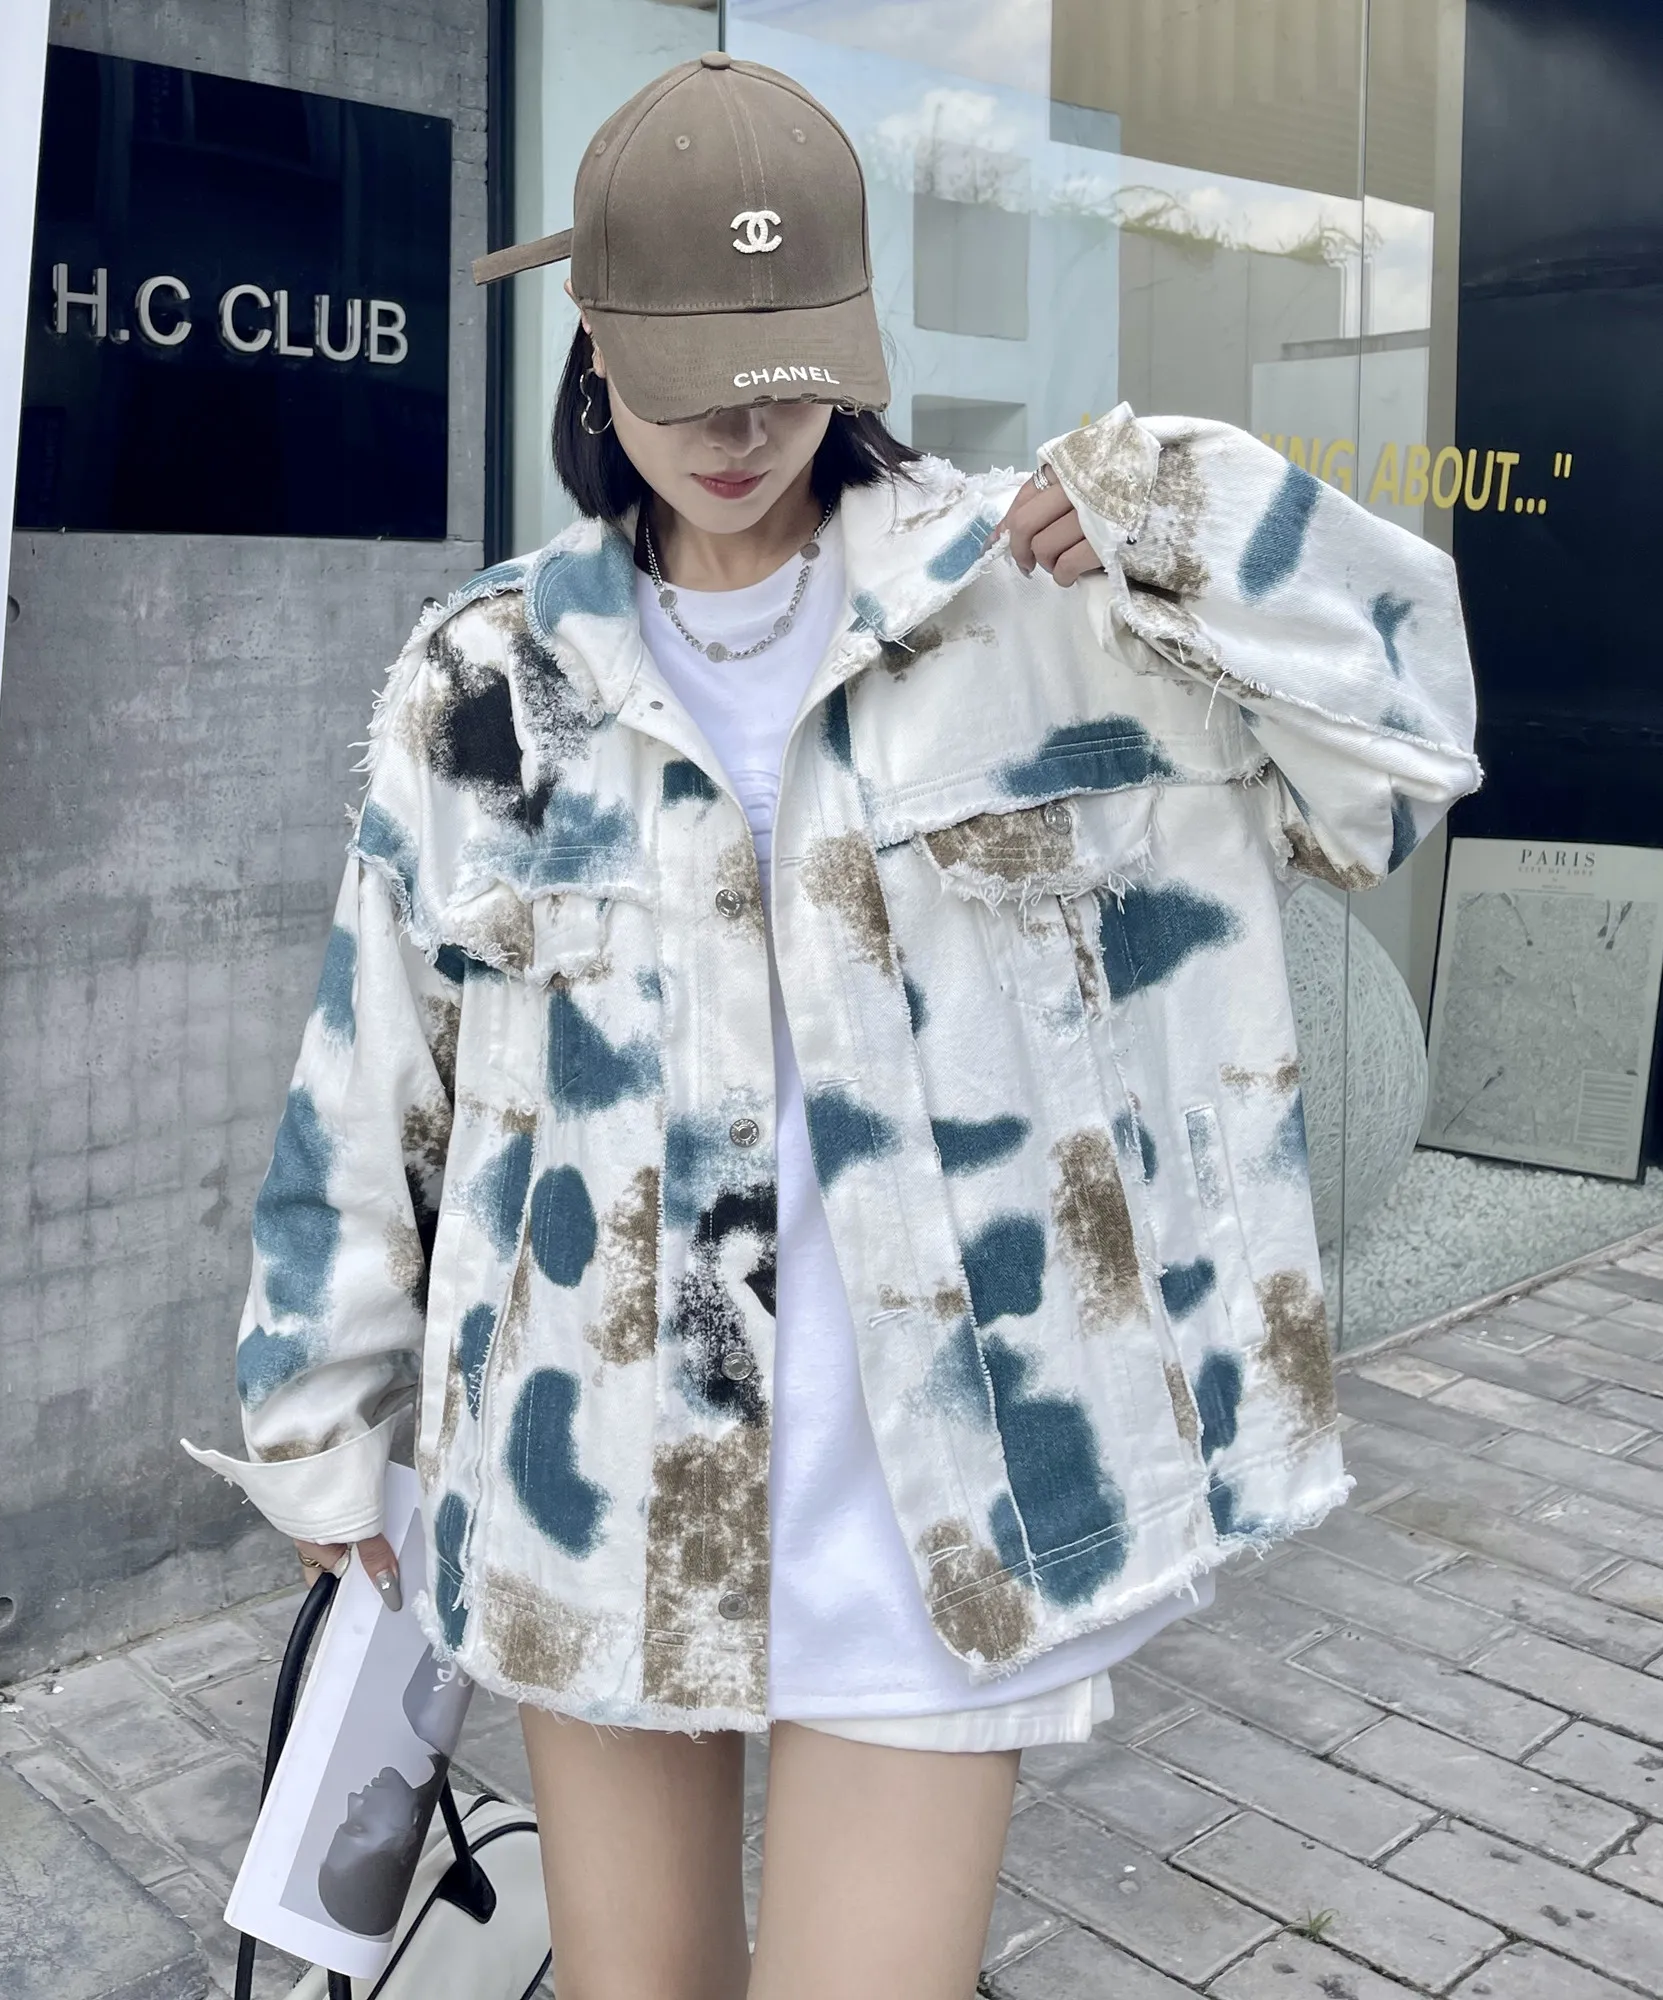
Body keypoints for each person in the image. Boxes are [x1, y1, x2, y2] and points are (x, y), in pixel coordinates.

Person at [185, 51, 1479, 2000]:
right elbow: (376, 1071)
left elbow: (1406, 752)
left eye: (784, 375)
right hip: (592, 1478)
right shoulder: (494, 673)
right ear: (594, 346)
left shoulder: (1039, 607)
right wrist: (317, 1414)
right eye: (686, 378)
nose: (736, 430)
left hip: (943, 1497)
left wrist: (1191, 517)